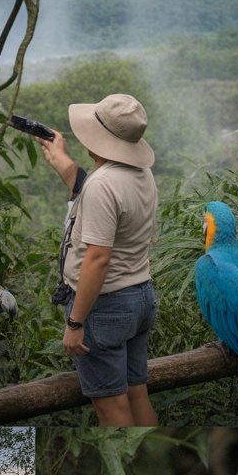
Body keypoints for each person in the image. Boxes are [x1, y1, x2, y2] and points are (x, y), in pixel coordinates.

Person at [40, 93, 159, 426]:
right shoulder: (140, 173)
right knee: (137, 395)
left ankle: (130, 471)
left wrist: (75, 323)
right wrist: (60, 158)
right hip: (139, 297)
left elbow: (97, 259)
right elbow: (90, 187)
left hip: (103, 307)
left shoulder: (102, 186)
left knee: (112, 409)